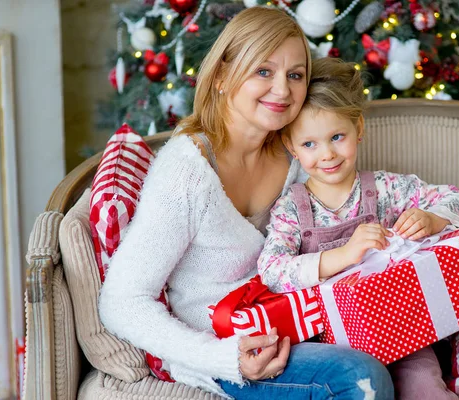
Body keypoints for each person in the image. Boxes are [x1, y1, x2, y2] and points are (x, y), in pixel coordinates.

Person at [99, 7, 394, 400]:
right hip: (223, 346)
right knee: (359, 377)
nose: (283, 90)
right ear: (222, 76)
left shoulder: (299, 157)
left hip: (296, 324)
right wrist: (224, 358)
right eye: (263, 71)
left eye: (295, 75)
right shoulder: (188, 172)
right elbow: (121, 301)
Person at [257, 57, 459, 400]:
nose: (328, 154)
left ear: (358, 129)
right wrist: (344, 255)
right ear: (291, 147)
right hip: (333, 342)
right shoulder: (291, 208)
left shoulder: (387, 188)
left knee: (424, 387)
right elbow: (272, 272)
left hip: (405, 329)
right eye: (309, 144)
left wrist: (433, 218)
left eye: (337, 136)